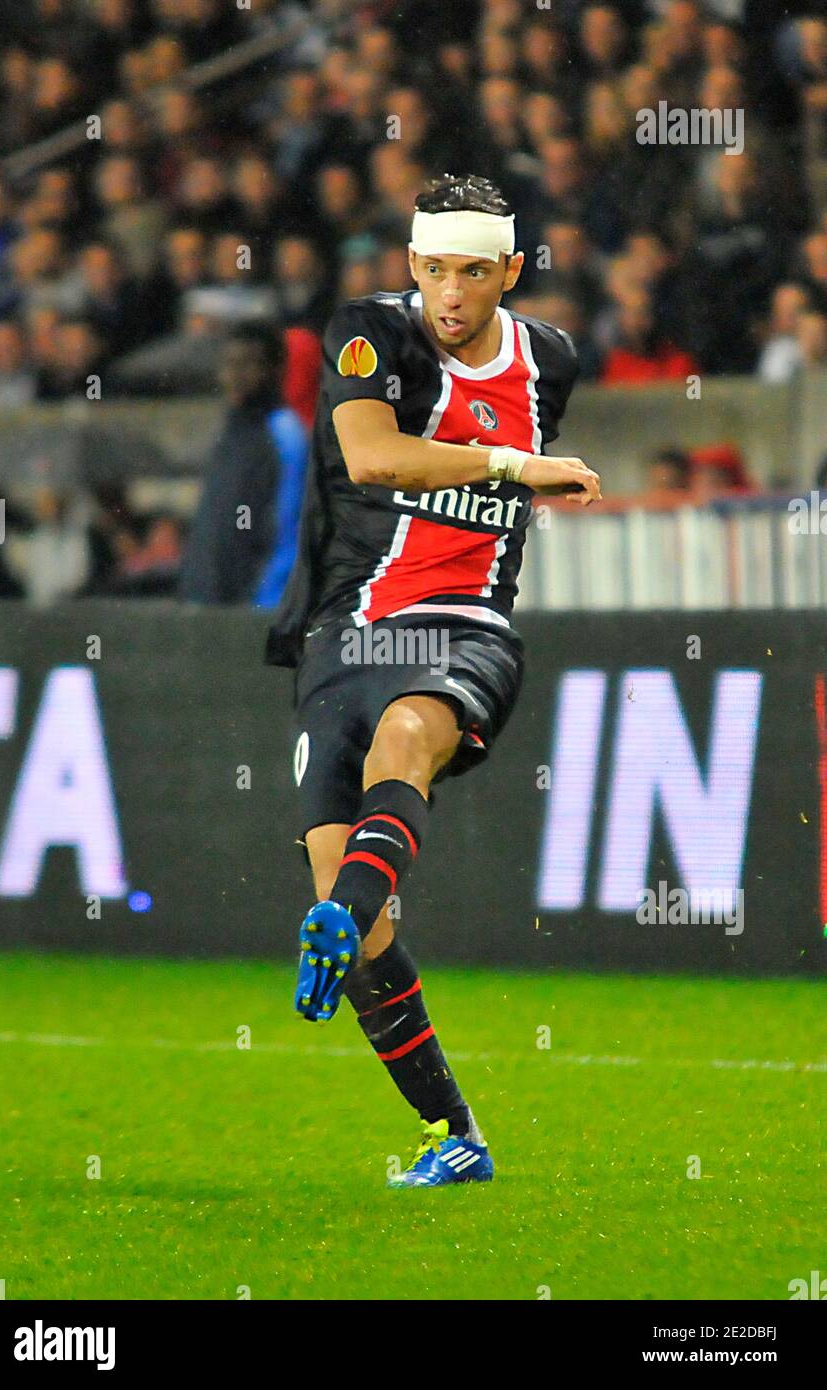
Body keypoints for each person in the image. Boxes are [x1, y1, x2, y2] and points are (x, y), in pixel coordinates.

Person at [264, 173, 600, 1188]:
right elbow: (368, 459)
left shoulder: (550, 358)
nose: (447, 292)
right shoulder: (367, 334)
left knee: (407, 737)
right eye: (430, 268)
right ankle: (454, 1134)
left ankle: (335, 915)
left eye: (469, 271)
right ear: (410, 266)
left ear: (508, 270)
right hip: (342, 636)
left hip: (464, 629)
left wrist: (509, 469)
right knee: (364, 928)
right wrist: (510, 467)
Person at [179, 323, 307, 604]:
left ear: (276, 370)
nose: (235, 376)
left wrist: (261, 608)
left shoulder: (286, 436)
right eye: (229, 364)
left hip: (252, 614)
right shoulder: (227, 433)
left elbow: (288, 535)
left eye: (249, 364)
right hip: (207, 606)